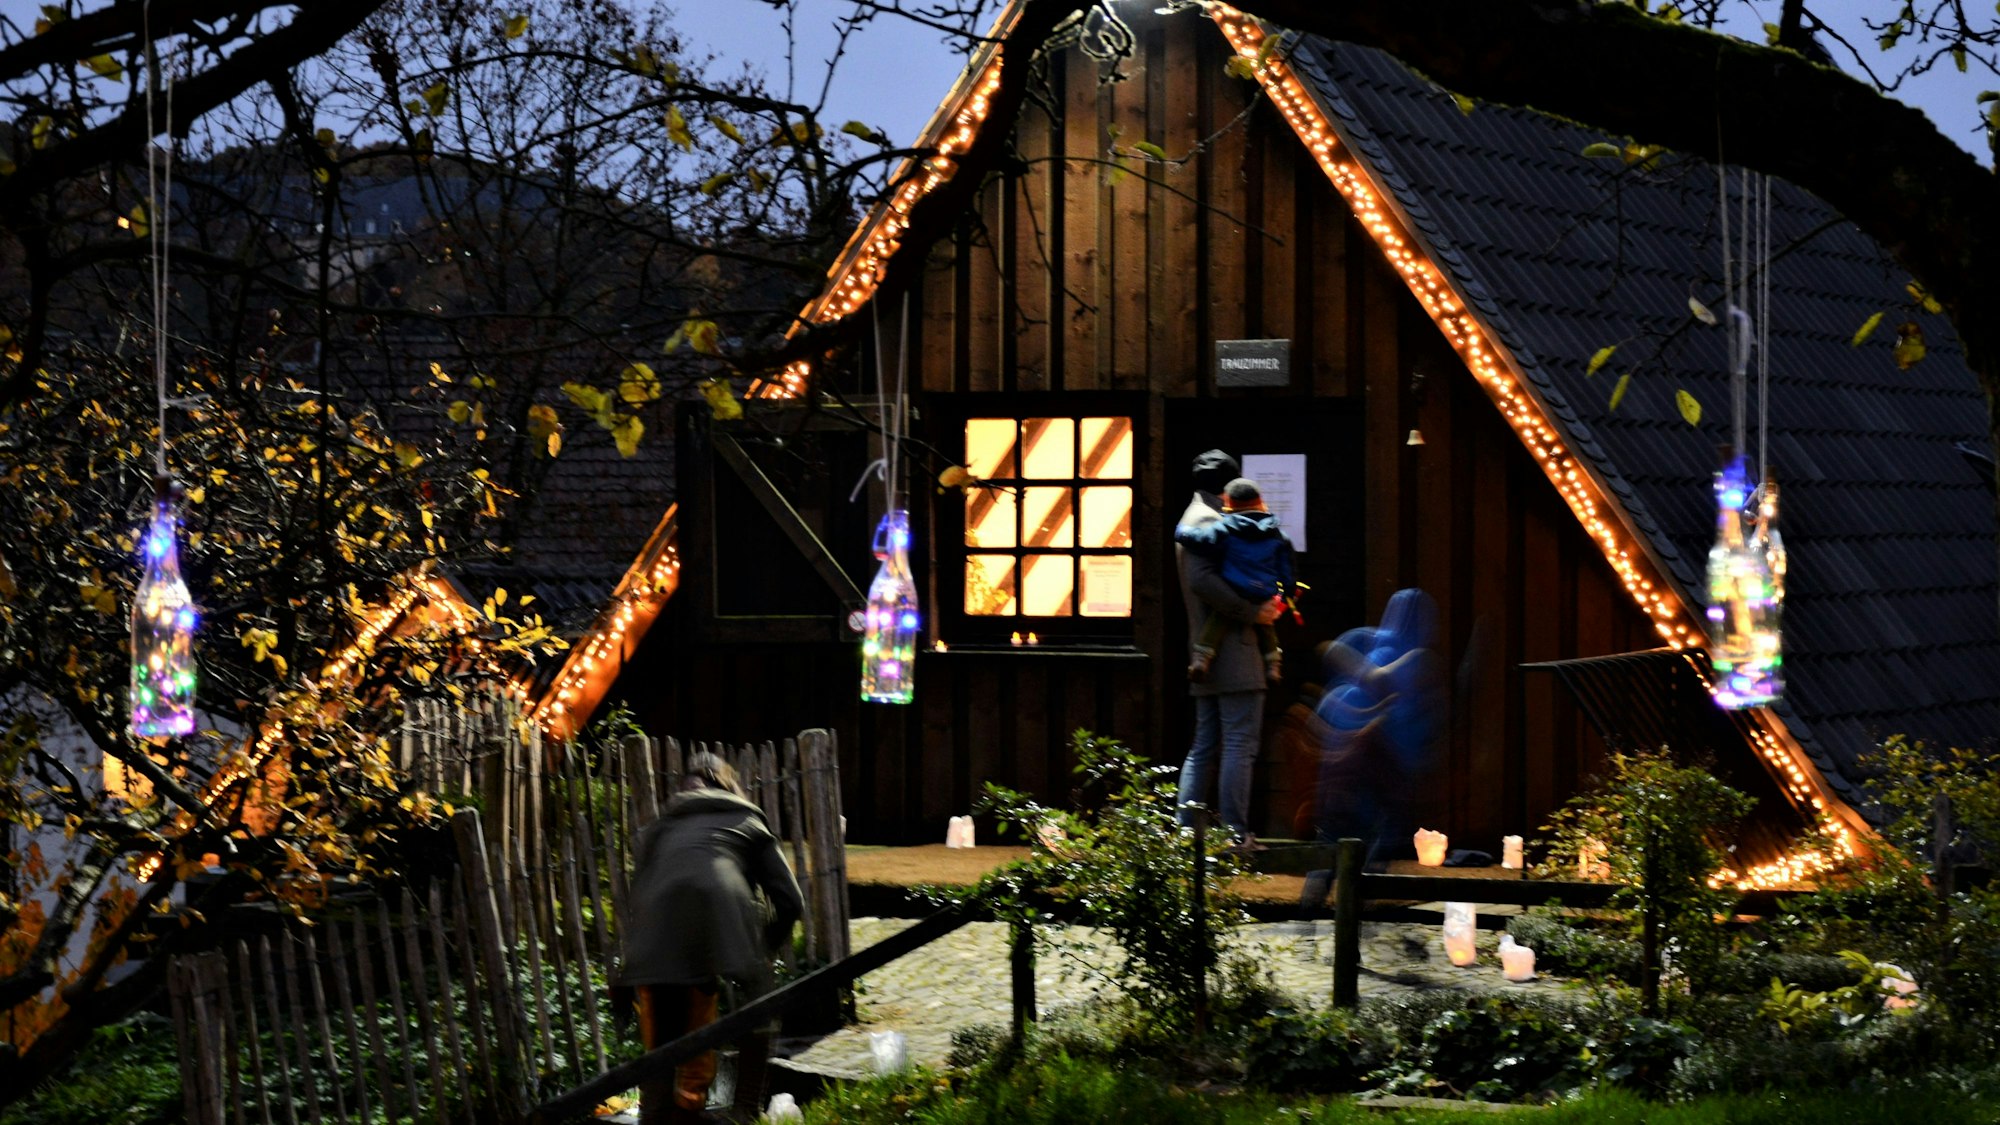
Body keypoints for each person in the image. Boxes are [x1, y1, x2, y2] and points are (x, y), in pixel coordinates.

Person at [619, 752, 804, 1124]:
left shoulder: (661, 828)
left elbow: (639, 897)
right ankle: (745, 1109)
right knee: (759, 1007)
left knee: (665, 1028)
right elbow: (790, 900)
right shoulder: (745, 819)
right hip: (723, 912)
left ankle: (656, 1113)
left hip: (654, 931)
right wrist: (764, 948)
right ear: (727, 786)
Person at [1176, 449, 1287, 845]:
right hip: (1233, 650)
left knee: (1205, 744)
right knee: (1239, 744)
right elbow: (1203, 582)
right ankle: (1235, 836)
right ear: (1227, 487)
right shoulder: (1210, 521)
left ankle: (1187, 835)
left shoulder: (1196, 516)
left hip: (1208, 650)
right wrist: (1254, 611)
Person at [1305, 589, 1443, 897]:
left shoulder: (1411, 656)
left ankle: (1343, 905)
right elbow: (1365, 674)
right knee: (1345, 832)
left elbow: (1364, 673)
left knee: (1357, 835)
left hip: (1376, 757)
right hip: (1363, 757)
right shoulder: (1389, 649)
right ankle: (1333, 905)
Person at [1175, 477, 1296, 684]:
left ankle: (1202, 658)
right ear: (1261, 501)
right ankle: (1274, 666)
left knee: (1217, 621)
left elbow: (1199, 539)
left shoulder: (1226, 529)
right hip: (1264, 592)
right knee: (1267, 625)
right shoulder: (1278, 536)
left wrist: (1181, 531)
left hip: (1236, 587)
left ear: (1229, 504)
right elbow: (1288, 574)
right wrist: (1283, 598)